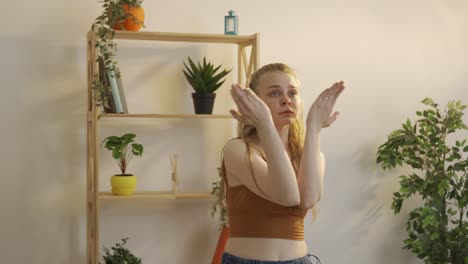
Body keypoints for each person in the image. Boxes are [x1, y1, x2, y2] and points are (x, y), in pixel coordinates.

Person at [219, 63, 345, 264]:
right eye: (275, 94)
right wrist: (265, 124)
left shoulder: (314, 156)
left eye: (292, 93)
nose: (286, 100)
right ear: (255, 102)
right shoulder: (238, 150)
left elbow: (307, 200)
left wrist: (314, 128)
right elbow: (287, 195)